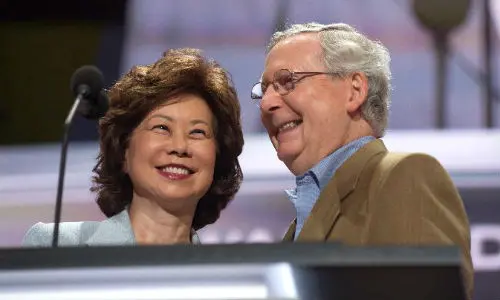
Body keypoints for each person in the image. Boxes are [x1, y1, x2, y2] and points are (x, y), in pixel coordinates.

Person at [251, 22, 473, 298]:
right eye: (264, 90)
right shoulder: (304, 217)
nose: (266, 103)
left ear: (355, 90)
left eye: (287, 82)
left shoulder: (403, 178)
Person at [23, 48, 244, 246]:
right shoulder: (56, 247)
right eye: (162, 127)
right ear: (124, 150)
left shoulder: (227, 280)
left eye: (198, 132)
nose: (179, 146)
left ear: (217, 158)